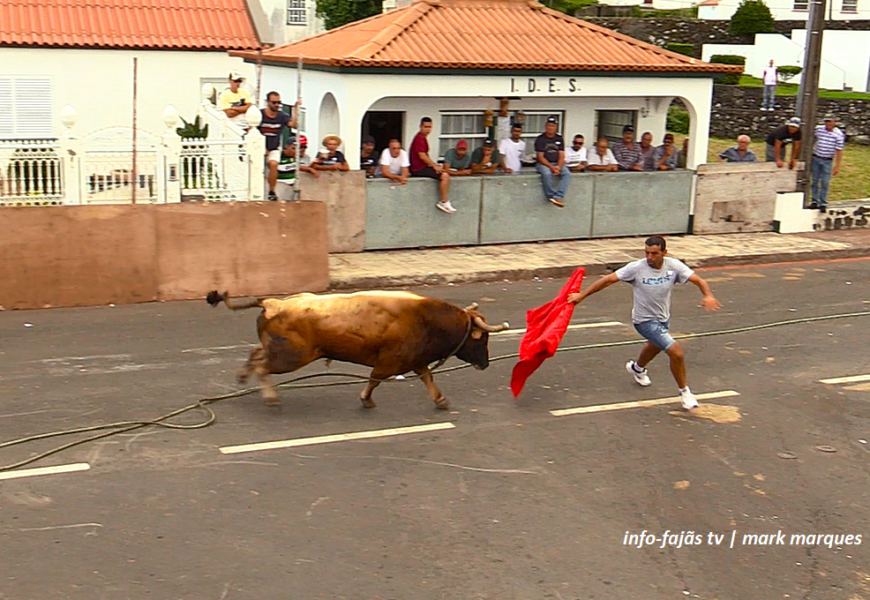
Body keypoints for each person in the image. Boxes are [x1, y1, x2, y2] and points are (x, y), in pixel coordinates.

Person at [567, 236, 722, 410]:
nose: (650, 257)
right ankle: (685, 392)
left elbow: (699, 280)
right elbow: (607, 280)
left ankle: (637, 368)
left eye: (654, 254)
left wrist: (708, 295)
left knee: (654, 346)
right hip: (644, 321)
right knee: (676, 352)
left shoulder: (673, 266)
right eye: (647, 253)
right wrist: (581, 296)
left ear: (664, 252)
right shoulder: (636, 268)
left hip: (663, 318)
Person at [259, 92, 300, 200]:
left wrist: (295, 110)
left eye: (279, 102)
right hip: (259, 146)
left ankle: (271, 191)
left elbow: (292, 124)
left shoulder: (281, 116)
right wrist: (262, 148)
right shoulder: (260, 115)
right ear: (268, 102)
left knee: (273, 165)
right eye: (274, 102)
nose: (277, 105)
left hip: (274, 147)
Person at [409, 116, 454, 214]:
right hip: (418, 169)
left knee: (443, 172)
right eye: (425, 127)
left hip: (422, 167)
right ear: (420, 126)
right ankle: (444, 201)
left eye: (429, 127)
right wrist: (434, 166)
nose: (427, 129)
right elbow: (422, 155)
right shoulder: (419, 138)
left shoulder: (422, 138)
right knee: (445, 175)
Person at [809, 114, 846, 211]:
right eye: (826, 121)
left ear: (834, 122)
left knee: (825, 182)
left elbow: (839, 150)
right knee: (815, 181)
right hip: (816, 157)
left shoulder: (838, 134)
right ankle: (814, 201)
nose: (828, 123)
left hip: (827, 160)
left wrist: (837, 166)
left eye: (830, 121)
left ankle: (823, 203)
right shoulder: (819, 129)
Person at [534, 116, 569, 207]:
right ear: (546, 126)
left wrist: (558, 167)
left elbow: (562, 155)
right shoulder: (540, 139)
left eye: (552, 126)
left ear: (556, 127)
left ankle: (559, 196)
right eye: (549, 125)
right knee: (546, 173)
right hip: (544, 164)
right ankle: (551, 196)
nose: (550, 127)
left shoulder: (559, 138)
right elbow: (540, 157)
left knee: (567, 173)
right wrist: (551, 167)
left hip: (556, 163)